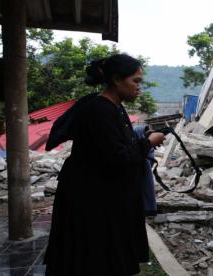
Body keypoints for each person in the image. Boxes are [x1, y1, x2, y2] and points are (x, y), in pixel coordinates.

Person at [44, 54, 165, 276]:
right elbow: (118, 158)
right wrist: (148, 142)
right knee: (93, 260)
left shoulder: (113, 108)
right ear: (117, 79)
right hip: (90, 199)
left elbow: (117, 145)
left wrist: (141, 138)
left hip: (102, 197)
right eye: (135, 81)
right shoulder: (99, 110)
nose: (139, 87)